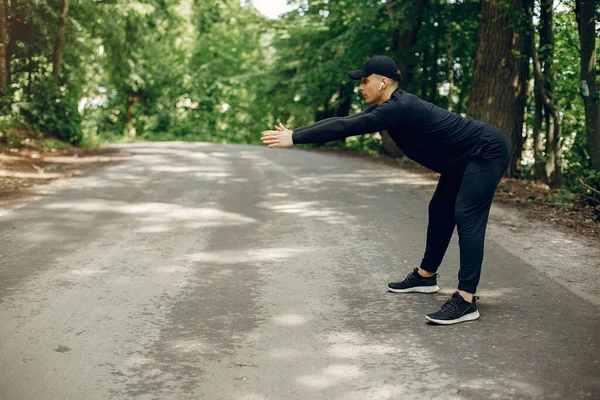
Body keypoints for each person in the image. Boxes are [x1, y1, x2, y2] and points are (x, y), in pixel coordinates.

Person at [260, 55, 511, 325]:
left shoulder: (398, 107)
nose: (360, 87)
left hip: (485, 150)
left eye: (365, 81)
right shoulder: (389, 106)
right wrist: (296, 131)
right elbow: (345, 119)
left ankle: (466, 299)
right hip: (461, 157)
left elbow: (347, 128)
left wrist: (295, 138)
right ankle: (426, 277)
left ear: (383, 82)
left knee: (466, 216)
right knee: (440, 210)